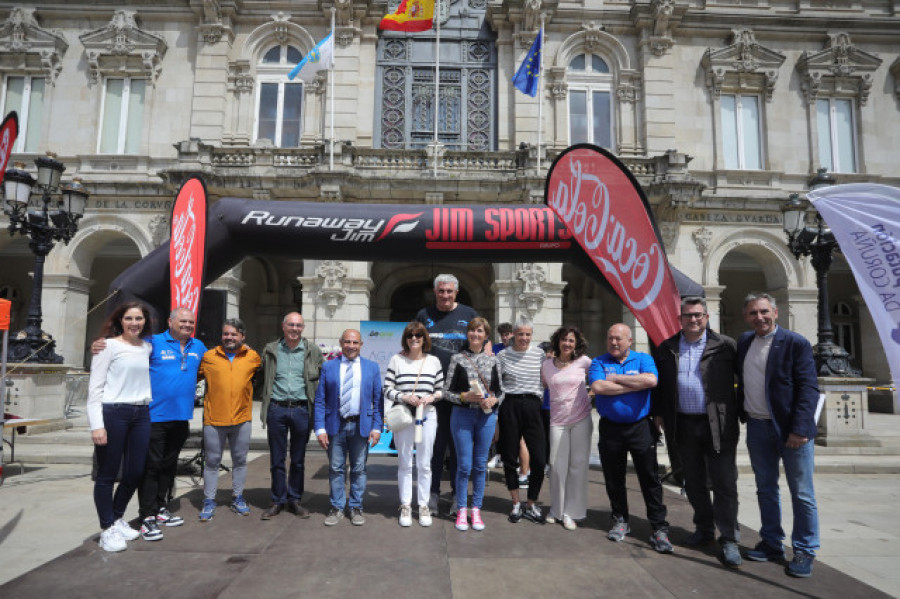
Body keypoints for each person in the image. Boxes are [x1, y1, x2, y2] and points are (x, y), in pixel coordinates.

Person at [92, 307, 207, 542]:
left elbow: (215, 363)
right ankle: (146, 515)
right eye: (182, 321)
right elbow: (124, 343)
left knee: (166, 467)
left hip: (180, 417)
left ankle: (159, 508)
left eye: (191, 322)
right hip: (151, 416)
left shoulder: (199, 347)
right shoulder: (151, 343)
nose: (187, 325)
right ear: (170, 321)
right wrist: (99, 344)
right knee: (149, 468)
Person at [652, 297, 741, 567]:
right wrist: (658, 412)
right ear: (680, 319)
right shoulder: (667, 347)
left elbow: (745, 380)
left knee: (724, 483)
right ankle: (704, 529)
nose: (693, 320)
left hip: (717, 423)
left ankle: (729, 538)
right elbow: (660, 385)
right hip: (682, 425)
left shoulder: (725, 346)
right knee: (692, 481)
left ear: (707, 317)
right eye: (688, 316)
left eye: (698, 315)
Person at [736, 293, 820, 578]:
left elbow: (809, 389)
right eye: (753, 313)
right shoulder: (745, 342)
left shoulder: (796, 343)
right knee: (765, 488)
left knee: (802, 493)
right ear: (746, 316)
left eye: (764, 312)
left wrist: (799, 429)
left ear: (776, 312)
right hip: (758, 427)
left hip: (790, 431)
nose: (759, 317)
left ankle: (805, 550)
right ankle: (771, 542)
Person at [590, 323, 673, 554]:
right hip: (611, 429)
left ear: (630, 341)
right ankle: (620, 520)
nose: (614, 343)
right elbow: (597, 386)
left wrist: (615, 379)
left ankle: (658, 528)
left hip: (640, 428)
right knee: (614, 478)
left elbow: (651, 381)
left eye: (618, 339)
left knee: (650, 479)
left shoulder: (643, 358)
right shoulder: (599, 361)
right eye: (610, 338)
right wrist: (633, 384)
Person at [87, 302, 153, 552]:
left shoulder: (147, 347)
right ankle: (107, 528)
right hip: (114, 412)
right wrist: (97, 425)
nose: (134, 323)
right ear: (120, 321)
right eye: (129, 318)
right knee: (107, 473)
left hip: (141, 412)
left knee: (135, 471)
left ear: (145, 321)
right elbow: (95, 388)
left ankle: (116, 517)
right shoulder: (107, 346)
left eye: (139, 318)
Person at [415, 274, 479, 515]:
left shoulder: (469, 314)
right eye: (441, 291)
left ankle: (457, 496)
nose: (445, 295)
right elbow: (414, 345)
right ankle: (432, 495)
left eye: (449, 291)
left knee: (460, 449)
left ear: (456, 292)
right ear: (435, 291)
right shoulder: (424, 315)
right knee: (434, 447)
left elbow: (482, 342)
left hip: (461, 394)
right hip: (432, 393)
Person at [257, 312, 324, 520]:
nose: (295, 329)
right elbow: (260, 376)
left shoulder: (313, 351)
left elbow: (322, 381)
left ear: (302, 328)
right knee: (277, 459)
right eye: (291, 325)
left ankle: (294, 499)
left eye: (298, 325)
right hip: (277, 409)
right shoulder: (271, 349)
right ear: (283, 326)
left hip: (302, 409)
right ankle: (277, 500)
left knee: (298, 460)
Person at [314, 329, 384, 527]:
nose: (351, 346)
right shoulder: (328, 367)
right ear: (341, 343)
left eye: (355, 342)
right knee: (336, 468)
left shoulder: (371, 367)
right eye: (347, 342)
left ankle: (355, 506)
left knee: (359, 469)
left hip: (361, 425)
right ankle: (336, 507)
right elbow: (320, 400)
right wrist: (320, 428)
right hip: (335, 426)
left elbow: (378, 401)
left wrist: (377, 427)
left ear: (361, 345)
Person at [196, 319, 261, 521]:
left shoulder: (253, 357)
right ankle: (209, 500)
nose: (229, 337)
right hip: (214, 420)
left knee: (240, 460)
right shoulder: (208, 357)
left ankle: (238, 497)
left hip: (242, 419)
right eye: (226, 334)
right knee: (212, 461)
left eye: (234, 334)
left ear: (242, 336)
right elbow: (191, 376)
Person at [444, 317, 503, 531]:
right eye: (472, 331)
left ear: (486, 335)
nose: (475, 334)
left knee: (480, 466)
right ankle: (461, 509)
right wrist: (464, 396)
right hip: (462, 416)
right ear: (467, 334)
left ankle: (476, 509)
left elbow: (502, 392)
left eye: (479, 331)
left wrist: (494, 400)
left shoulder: (494, 361)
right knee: (463, 466)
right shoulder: (457, 359)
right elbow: (445, 392)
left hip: (486, 417)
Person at [384, 321, 444, 527]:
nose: (414, 339)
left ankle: (424, 504)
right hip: (405, 416)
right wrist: (404, 396)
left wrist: (431, 397)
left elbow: (441, 389)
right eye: (410, 335)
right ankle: (406, 505)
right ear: (405, 339)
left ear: (424, 338)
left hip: (427, 415)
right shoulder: (396, 360)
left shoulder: (433, 361)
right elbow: (387, 388)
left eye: (418, 335)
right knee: (405, 462)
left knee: (425, 464)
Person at [496, 315, 547, 524]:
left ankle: (531, 502)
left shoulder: (540, 355)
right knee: (509, 456)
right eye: (520, 334)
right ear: (513, 335)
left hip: (534, 406)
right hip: (510, 405)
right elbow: (498, 384)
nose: (524, 338)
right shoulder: (503, 356)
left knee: (539, 458)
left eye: (528, 334)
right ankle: (516, 502)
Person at [541, 326, 592, 531]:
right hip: (557, 421)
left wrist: (591, 395)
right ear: (557, 342)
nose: (567, 344)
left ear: (576, 343)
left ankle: (572, 512)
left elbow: (598, 380)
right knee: (556, 465)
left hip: (581, 419)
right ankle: (556, 509)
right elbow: (545, 386)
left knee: (577, 466)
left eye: (571, 340)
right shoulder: (546, 365)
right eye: (564, 340)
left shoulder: (585, 362)